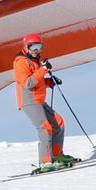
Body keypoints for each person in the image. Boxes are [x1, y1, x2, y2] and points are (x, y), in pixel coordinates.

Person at [13, 33, 77, 169]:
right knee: (45, 127)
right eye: (33, 47)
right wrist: (43, 70)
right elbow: (28, 83)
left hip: (39, 100)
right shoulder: (21, 62)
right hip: (29, 101)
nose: (36, 50)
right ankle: (45, 161)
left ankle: (57, 155)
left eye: (39, 46)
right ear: (26, 47)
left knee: (58, 123)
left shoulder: (36, 62)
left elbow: (38, 81)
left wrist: (49, 82)